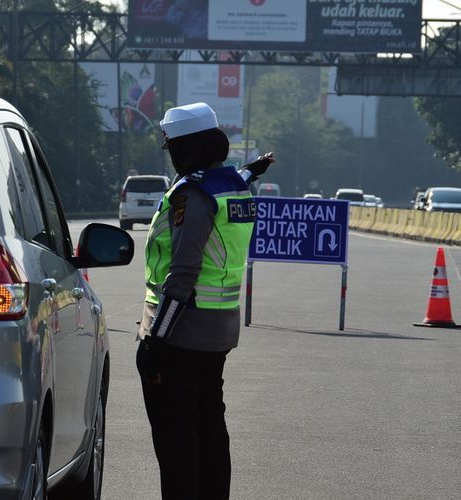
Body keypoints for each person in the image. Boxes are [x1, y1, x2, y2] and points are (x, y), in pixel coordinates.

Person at [136, 102, 274, 500]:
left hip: (181, 333)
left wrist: (154, 343)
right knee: (211, 427)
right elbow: (234, 179)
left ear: (187, 147)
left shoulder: (192, 195)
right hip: (220, 329)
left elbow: (181, 278)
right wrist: (254, 169)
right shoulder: (234, 184)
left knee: (177, 439)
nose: (173, 156)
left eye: (173, 147)